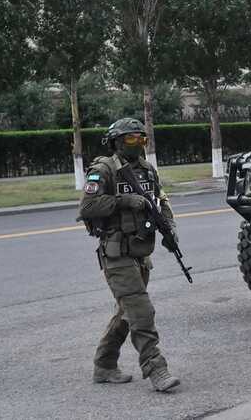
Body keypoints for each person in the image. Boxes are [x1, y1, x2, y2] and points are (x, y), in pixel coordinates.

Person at [78, 118, 181, 392]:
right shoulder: (104, 169)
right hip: (116, 254)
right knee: (142, 311)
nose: (137, 143)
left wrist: (169, 228)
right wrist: (124, 201)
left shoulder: (147, 171)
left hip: (140, 253)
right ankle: (156, 368)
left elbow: (160, 200)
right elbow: (87, 207)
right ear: (117, 142)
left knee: (127, 314)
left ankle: (104, 365)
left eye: (141, 139)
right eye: (131, 139)